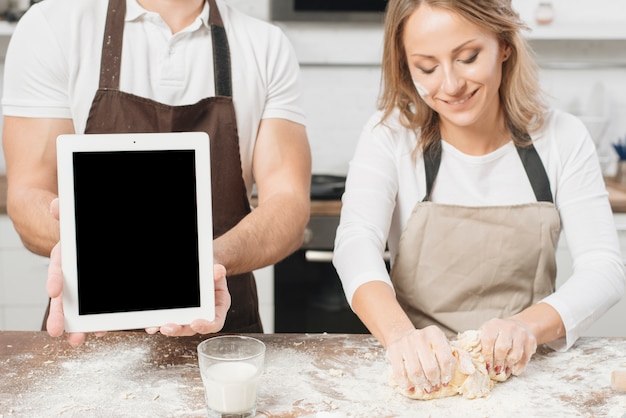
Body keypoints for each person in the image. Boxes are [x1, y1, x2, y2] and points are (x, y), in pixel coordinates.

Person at [333, 0, 625, 397]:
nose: (450, 85)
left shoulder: (562, 137)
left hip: (529, 376)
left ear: (504, 44)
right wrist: (401, 337)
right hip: (421, 371)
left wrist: (526, 327)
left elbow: (604, 268)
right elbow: (355, 241)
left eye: (467, 57)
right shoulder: (390, 135)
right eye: (427, 67)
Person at [2, 0, 311, 346]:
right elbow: (28, 193)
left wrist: (201, 266)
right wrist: (88, 250)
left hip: (221, 338)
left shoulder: (265, 46)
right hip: (89, 339)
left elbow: (289, 203)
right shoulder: (53, 27)